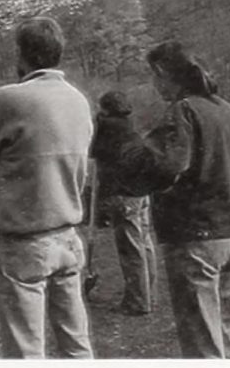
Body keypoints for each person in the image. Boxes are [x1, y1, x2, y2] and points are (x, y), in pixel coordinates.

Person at [98, 41, 230, 358]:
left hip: (198, 239)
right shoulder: (226, 109)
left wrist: (128, 157)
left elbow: (164, 166)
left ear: (163, 73)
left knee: (203, 348)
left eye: (154, 77)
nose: (154, 85)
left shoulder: (184, 110)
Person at [0, 16, 94, 359]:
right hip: (68, 234)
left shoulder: (10, 99)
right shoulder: (78, 100)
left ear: (22, 54)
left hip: (26, 238)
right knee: (76, 344)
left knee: (26, 350)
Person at [90, 90, 157, 316]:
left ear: (106, 108)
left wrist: (97, 124)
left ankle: (138, 302)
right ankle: (148, 295)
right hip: (141, 192)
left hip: (123, 193)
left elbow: (93, 151)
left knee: (131, 249)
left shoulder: (109, 127)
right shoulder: (130, 124)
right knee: (144, 243)